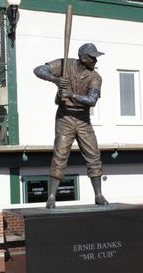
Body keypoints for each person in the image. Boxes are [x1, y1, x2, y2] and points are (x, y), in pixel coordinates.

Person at [34, 43, 109, 209]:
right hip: (65, 117)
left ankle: (98, 195)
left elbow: (92, 100)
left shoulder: (95, 77)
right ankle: (52, 196)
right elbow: (38, 70)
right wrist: (55, 80)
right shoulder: (64, 64)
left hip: (83, 119)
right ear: (82, 57)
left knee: (93, 156)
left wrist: (71, 95)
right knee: (60, 155)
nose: (95, 60)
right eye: (92, 57)